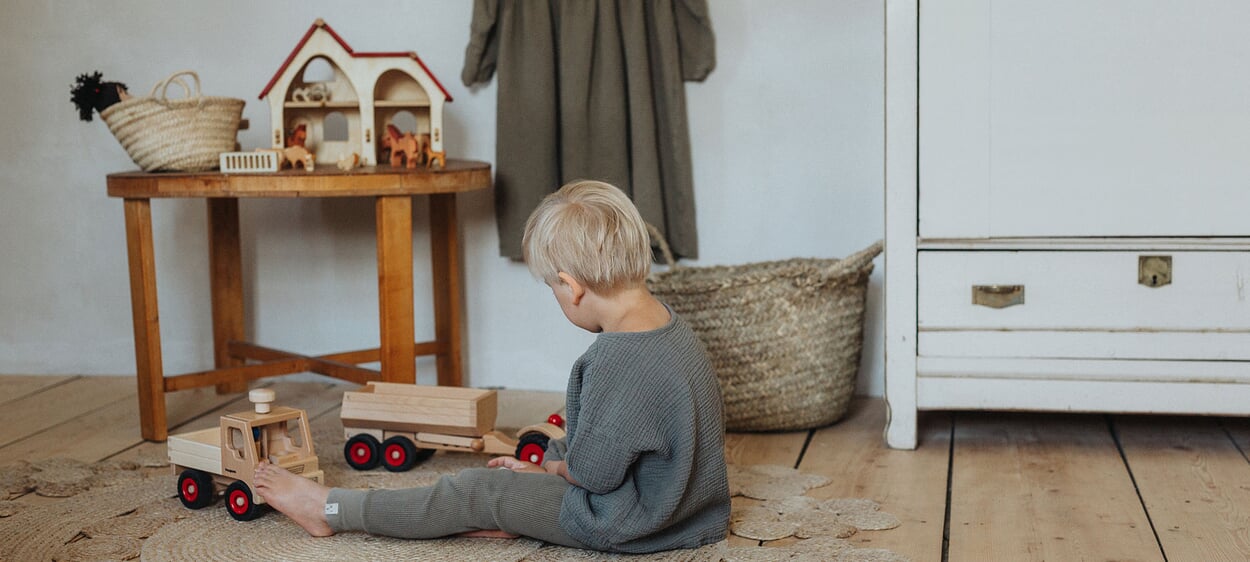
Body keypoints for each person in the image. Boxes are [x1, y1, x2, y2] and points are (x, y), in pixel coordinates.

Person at [254, 179, 730, 553]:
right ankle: (516, 512)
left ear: (572, 286)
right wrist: (546, 466)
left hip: (630, 524)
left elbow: (596, 475)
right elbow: (633, 439)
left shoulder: (617, 359)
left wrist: (553, 471)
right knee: (516, 483)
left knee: (475, 491)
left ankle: (331, 508)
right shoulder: (670, 326)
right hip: (688, 512)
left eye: (553, 290)